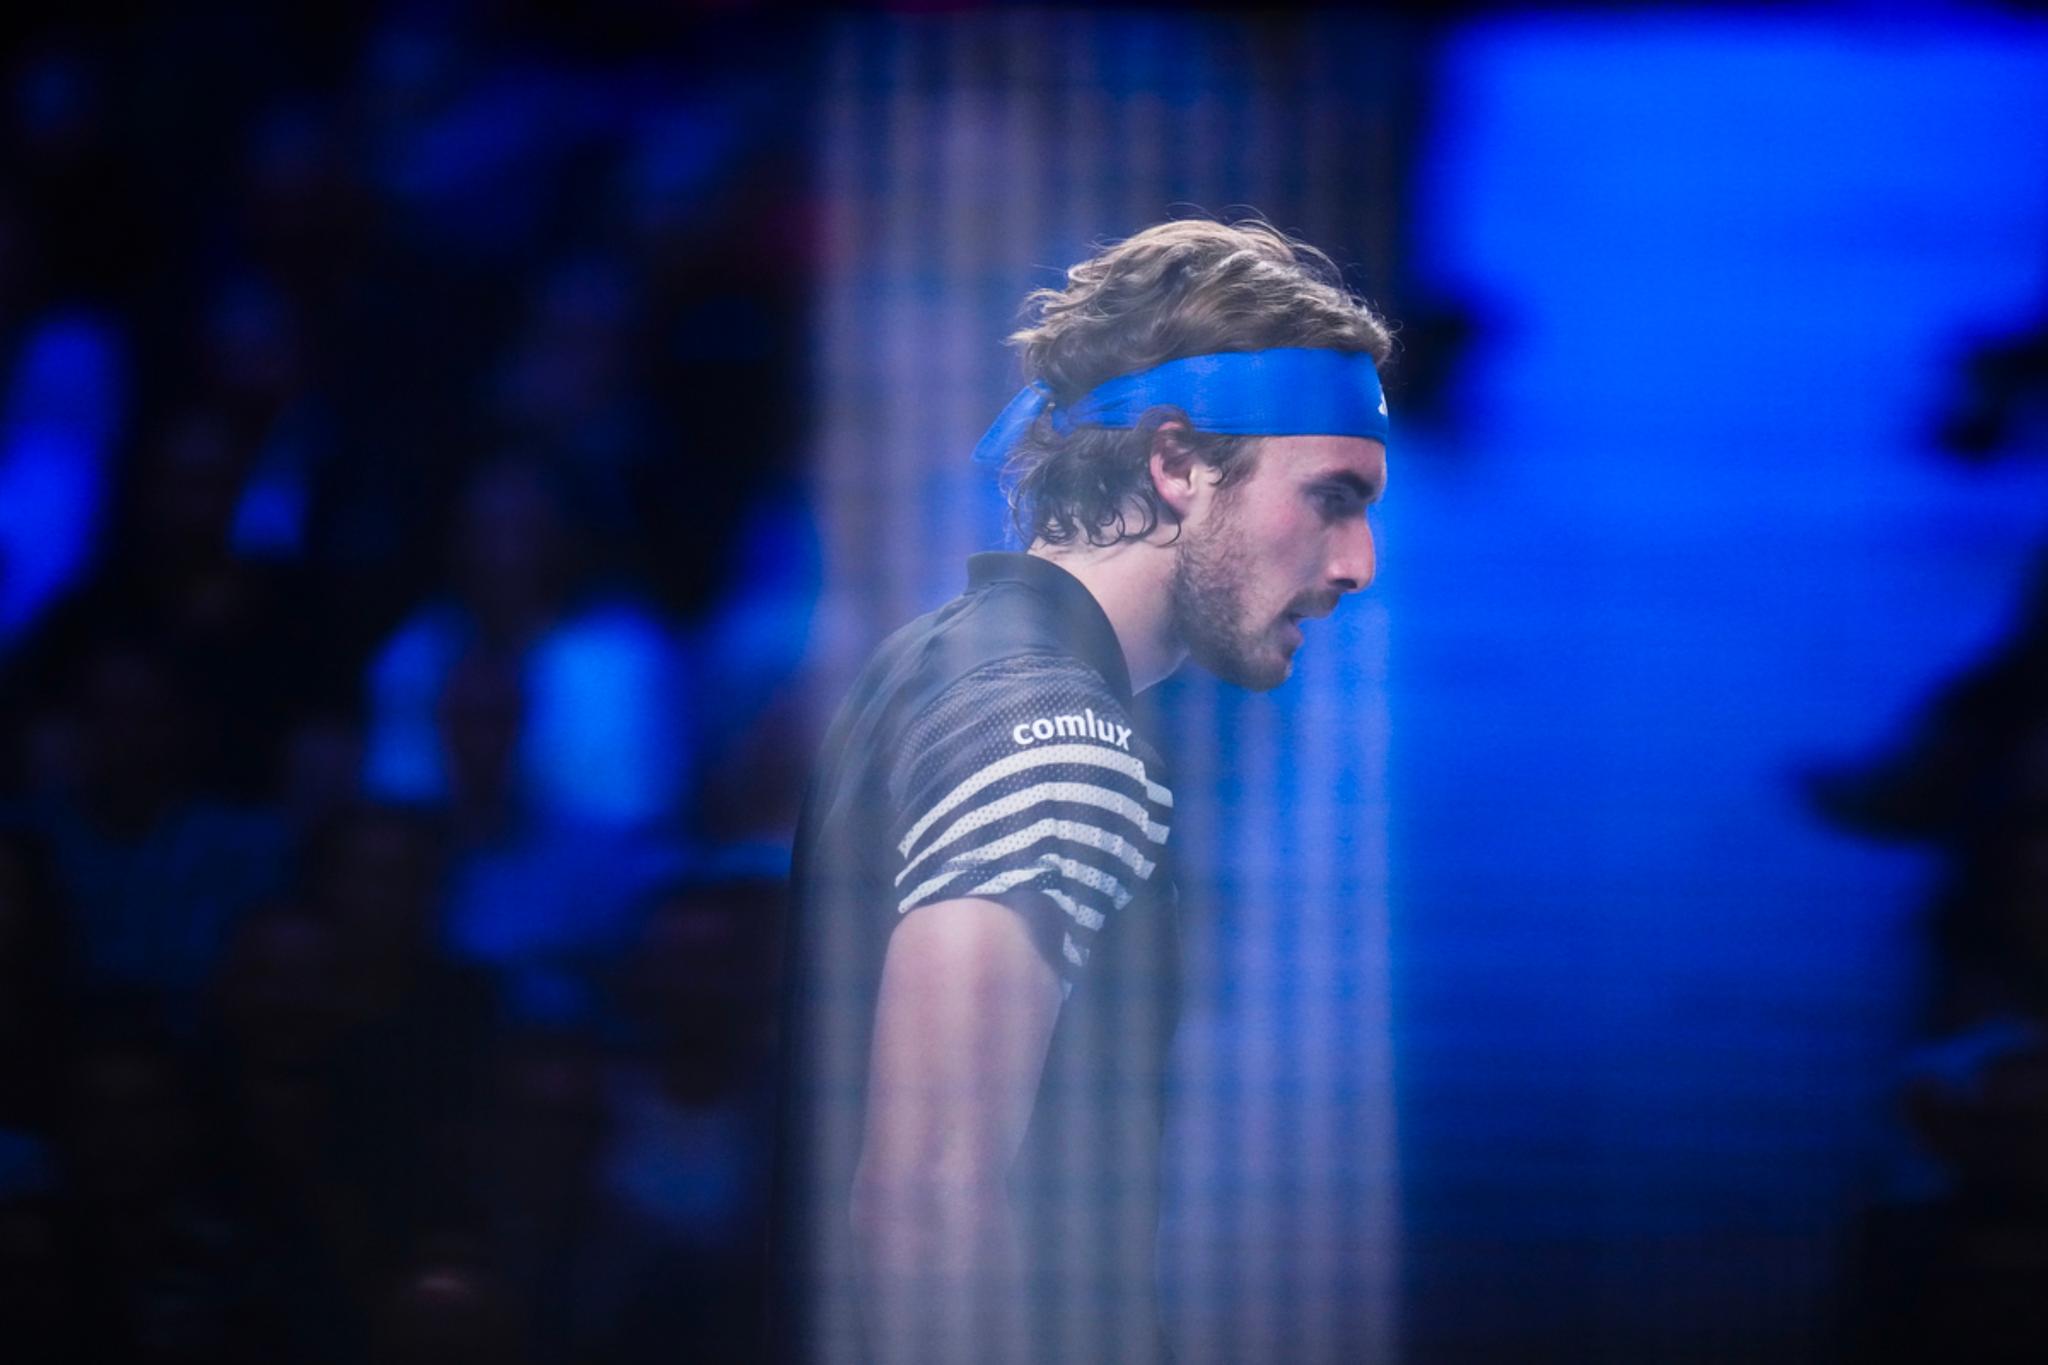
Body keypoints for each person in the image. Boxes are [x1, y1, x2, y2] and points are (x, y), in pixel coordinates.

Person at [774, 218, 1394, 1365]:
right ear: (1174, 463)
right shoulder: (1058, 744)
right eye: (1329, 497)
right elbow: (924, 1203)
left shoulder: (930, 664)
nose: (1357, 562)